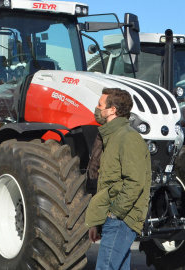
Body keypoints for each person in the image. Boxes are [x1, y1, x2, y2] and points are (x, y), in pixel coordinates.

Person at [85, 88, 151, 270]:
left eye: (100, 105)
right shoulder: (110, 138)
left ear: (112, 110)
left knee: (105, 267)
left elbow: (135, 182)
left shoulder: (128, 138)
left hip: (122, 219)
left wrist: (115, 213)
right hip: (113, 218)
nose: (97, 109)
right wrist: (98, 221)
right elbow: (108, 184)